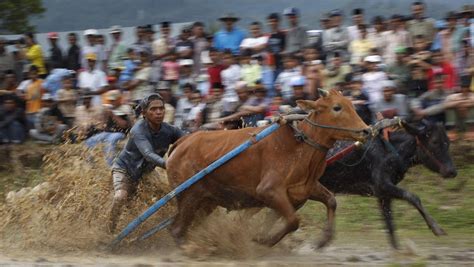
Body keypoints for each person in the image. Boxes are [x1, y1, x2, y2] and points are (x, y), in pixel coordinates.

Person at [108, 94, 185, 233]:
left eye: (161, 108)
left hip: (146, 173)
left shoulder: (170, 130)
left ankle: (166, 231)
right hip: (125, 170)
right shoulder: (138, 130)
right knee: (120, 197)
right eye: (153, 109)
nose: (158, 112)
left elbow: (189, 139)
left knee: (167, 199)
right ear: (144, 113)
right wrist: (171, 166)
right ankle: (108, 231)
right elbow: (148, 155)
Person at [85, 90, 133, 165]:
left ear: (119, 99)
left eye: (113, 100)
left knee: (110, 140)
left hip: (120, 133)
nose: (111, 102)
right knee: (90, 140)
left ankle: (109, 165)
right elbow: (104, 125)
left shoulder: (125, 108)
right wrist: (105, 116)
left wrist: (112, 115)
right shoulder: (109, 108)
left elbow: (124, 125)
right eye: (110, 100)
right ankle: (89, 164)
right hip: (108, 132)